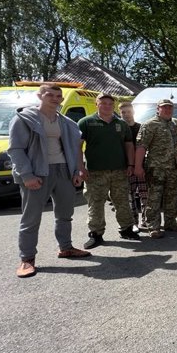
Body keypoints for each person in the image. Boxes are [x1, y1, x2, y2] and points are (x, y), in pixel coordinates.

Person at [8, 83, 91, 278]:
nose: (55, 98)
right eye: (50, 95)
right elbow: (15, 150)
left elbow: (72, 148)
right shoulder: (24, 119)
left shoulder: (65, 122)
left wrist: (75, 172)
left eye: (58, 96)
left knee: (64, 213)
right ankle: (27, 259)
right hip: (37, 172)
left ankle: (66, 247)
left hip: (62, 171)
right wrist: (27, 175)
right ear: (40, 96)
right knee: (31, 217)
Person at [78, 92, 139, 250]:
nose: (107, 106)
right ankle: (96, 234)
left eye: (110, 104)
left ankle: (126, 229)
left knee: (122, 202)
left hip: (119, 171)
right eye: (103, 103)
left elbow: (129, 146)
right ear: (96, 104)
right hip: (95, 172)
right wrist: (80, 167)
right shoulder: (86, 122)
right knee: (96, 203)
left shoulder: (121, 124)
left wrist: (131, 165)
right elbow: (77, 146)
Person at [134, 98, 177, 239]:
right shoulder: (149, 125)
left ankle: (170, 222)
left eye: (170, 108)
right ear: (158, 108)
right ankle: (153, 226)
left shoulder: (175, 124)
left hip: (174, 168)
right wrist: (138, 166)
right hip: (156, 168)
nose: (167, 110)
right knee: (154, 198)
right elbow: (141, 146)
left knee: (172, 197)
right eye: (164, 107)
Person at [119, 101, 148, 231]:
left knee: (145, 195)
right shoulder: (118, 127)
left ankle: (146, 220)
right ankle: (133, 223)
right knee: (129, 197)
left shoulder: (141, 127)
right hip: (125, 167)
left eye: (128, 111)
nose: (126, 114)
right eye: (123, 112)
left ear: (133, 112)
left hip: (141, 166)